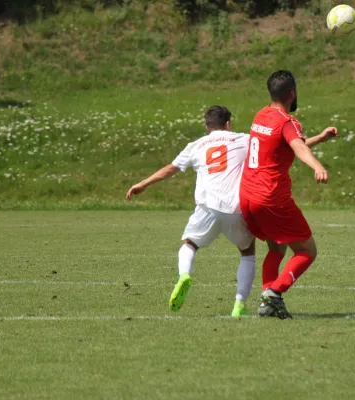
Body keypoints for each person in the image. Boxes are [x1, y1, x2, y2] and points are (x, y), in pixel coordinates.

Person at [126, 106, 255, 318]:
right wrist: (318, 139)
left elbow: (171, 168)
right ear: (228, 124)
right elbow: (283, 146)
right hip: (235, 208)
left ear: (207, 126)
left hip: (206, 207)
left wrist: (144, 183)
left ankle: (184, 274)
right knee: (247, 252)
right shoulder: (243, 139)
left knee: (190, 244)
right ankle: (239, 304)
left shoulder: (196, 145)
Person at [240, 70, 339, 319]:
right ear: (292, 93)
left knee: (276, 249)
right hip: (271, 198)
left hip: (248, 196)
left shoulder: (261, 115)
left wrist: (320, 138)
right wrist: (317, 166)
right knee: (307, 250)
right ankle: (275, 292)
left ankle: (267, 303)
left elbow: (288, 145)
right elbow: (296, 147)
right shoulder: (287, 122)